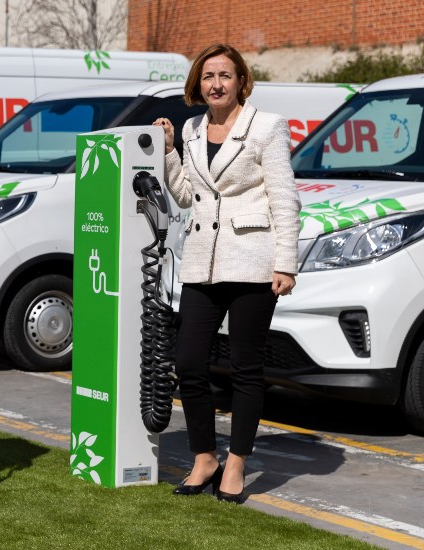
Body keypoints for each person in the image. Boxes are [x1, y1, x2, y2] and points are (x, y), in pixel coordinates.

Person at [152, 44, 300, 504]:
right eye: (208, 75)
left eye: (225, 75)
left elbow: (284, 197)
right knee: (189, 362)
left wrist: (286, 262)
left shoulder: (267, 126)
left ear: (241, 82)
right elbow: (183, 195)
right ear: (197, 84)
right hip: (202, 261)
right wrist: (171, 150)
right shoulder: (194, 129)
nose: (216, 83)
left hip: (254, 261)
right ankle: (204, 457)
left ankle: (235, 462)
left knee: (244, 368)